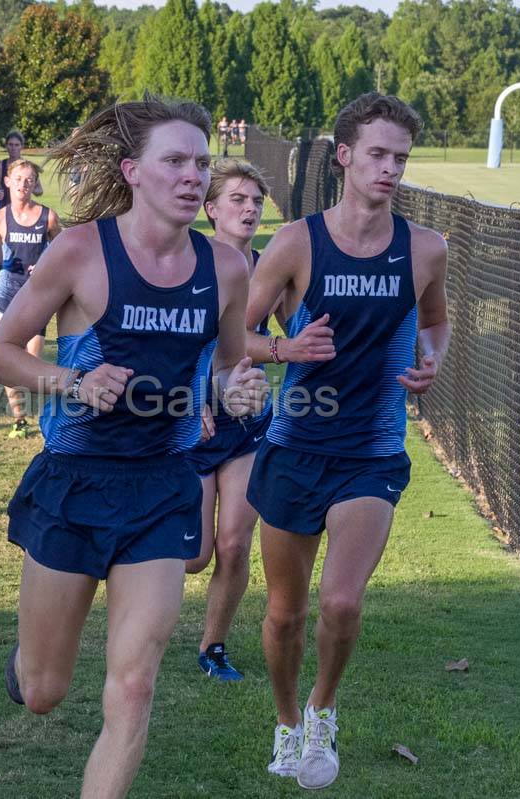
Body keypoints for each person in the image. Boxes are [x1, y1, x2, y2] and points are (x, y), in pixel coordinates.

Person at [0, 96, 268, 799]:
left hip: (161, 487)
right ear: (134, 171)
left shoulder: (226, 268)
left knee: (135, 684)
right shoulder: (81, 250)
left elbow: (229, 364)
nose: (192, 175)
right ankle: (27, 664)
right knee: (45, 689)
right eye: (174, 160)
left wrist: (235, 390)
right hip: (76, 484)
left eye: (201, 162)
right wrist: (71, 379)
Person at [244, 92, 450, 790]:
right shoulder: (298, 242)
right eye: (379, 155)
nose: (391, 169)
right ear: (344, 156)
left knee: (341, 602)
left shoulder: (425, 247)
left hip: (372, 451)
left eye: (401, 158)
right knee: (284, 611)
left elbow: (437, 321)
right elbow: (232, 334)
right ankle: (284, 719)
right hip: (294, 447)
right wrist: (284, 348)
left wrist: (432, 360)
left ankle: (323, 707)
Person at [184, 158, 282, 682]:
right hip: (192, 424)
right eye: (238, 200)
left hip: (247, 426)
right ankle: (133, 591)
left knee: (235, 542)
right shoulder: (191, 265)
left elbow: (301, 334)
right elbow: (177, 344)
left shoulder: (270, 269)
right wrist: (189, 398)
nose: (249, 209)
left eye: (256, 201)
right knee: (195, 555)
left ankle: (213, 646)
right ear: (211, 209)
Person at [0, 158, 61, 438]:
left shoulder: (48, 217)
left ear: (34, 184)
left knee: (32, 362)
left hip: (37, 294)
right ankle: (19, 419)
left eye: (29, 180)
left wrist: (47, 263)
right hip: (7, 290)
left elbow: (62, 250)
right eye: (19, 179)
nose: (24, 185)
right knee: (7, 356)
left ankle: (43, 413)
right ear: (7, 182)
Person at [0, 130, 43, 209]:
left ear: (22, 146)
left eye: (17, 145)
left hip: (23, 210)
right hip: (3, 209)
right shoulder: (0, 166)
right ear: (6, 146)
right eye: (10, 144)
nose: (13, 148)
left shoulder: (28, 167)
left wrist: (29, 188)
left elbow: (40, 191)